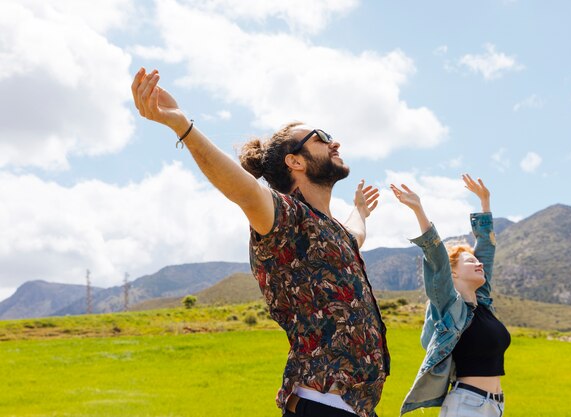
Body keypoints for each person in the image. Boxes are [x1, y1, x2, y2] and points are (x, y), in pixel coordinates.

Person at [131, 68, 390, 417]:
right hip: (322, 406)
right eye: (320, 137)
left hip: (356, 408)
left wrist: (359, 210)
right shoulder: (286, 220)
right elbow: (246, 191)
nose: (334, 142)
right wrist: (182, 126)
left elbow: (355, 233)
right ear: (295, 161)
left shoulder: (335, 232)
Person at [392, 174, 510, 417]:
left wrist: (485, 204)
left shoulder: (483, 303)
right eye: (471, 261)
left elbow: (487, 249)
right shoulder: (450, 307)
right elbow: (436, 258)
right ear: (453, 273)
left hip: (495, 406)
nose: (479, 264)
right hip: (467, 405)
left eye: (478, 261)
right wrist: (418, 210)